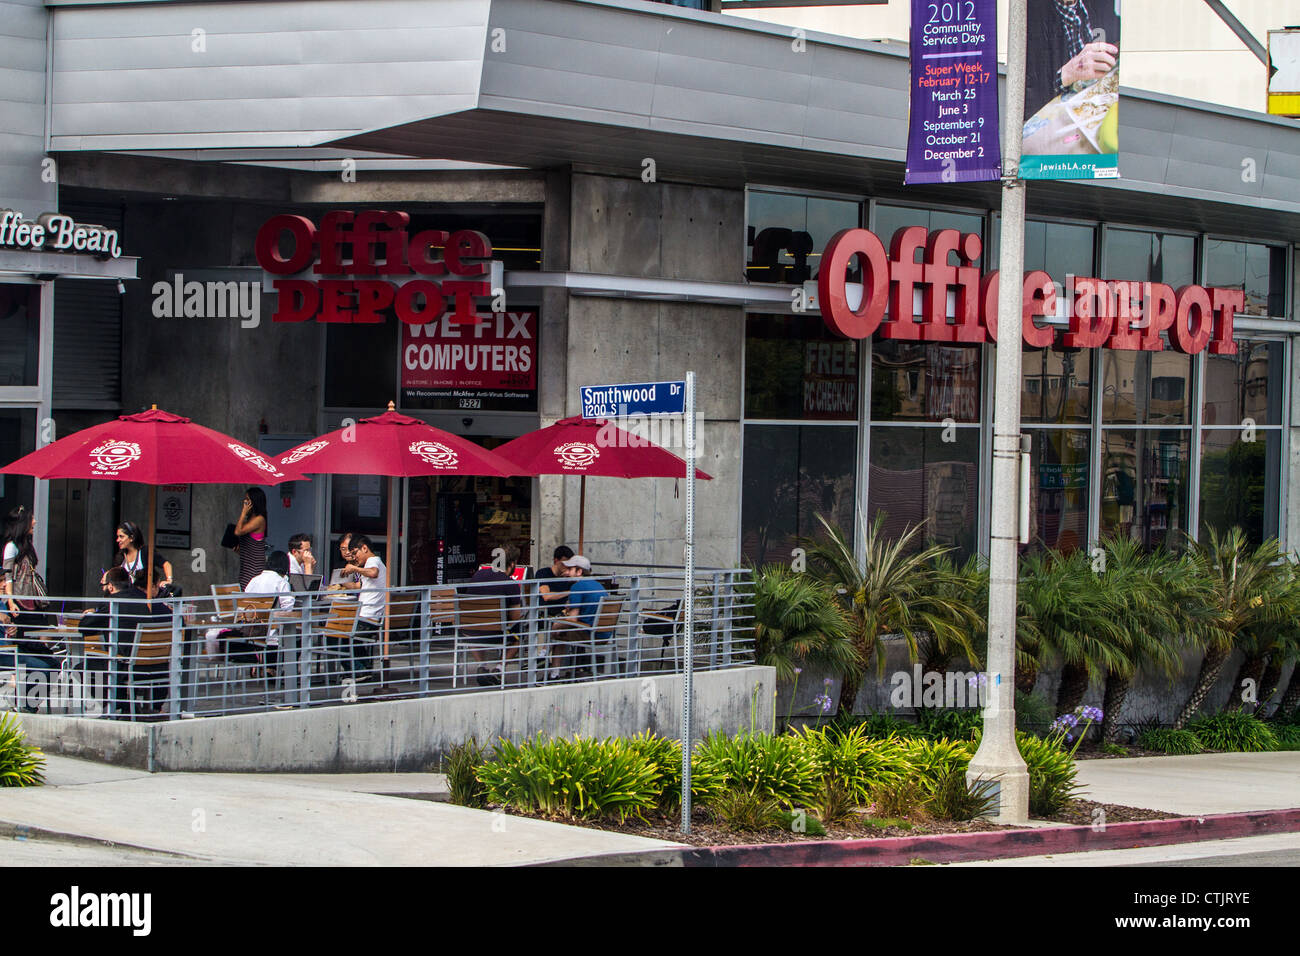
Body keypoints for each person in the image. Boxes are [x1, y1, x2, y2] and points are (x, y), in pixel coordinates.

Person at [1025, 0, 1119, 121]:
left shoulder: (1100, 4)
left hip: (1097, 110)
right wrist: (1067, 74)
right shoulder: (1029, 14)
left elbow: (1115, 28)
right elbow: (1026, 99)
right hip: (1055, 121)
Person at [463, 544, 525, 686]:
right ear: (512, 564)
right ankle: (499, 669)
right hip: (496, 633)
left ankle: (482, 666)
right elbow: (516, 618)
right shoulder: (511, 584)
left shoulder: (477, 576)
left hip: (471, 630)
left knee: (473, 630)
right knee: (520, 635)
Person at [553, 555, 609, 680]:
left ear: (579, 572)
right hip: (605, 634)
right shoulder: (600, 586)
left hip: (589, 634)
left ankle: (553, 674)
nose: (566, 572)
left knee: (557, 633)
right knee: (567, 631)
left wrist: (556, 624)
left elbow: (572, 620)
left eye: (570, 569)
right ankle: (575, 670)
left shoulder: (577, 587)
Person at [342, 535, 386, 682]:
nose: (355, 557)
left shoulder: (373, 561)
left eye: (355, 553)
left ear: (364, 548)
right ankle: (364, 668)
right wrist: (341, 583)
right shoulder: (374, 562)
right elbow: (361, 586)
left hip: (367, 617)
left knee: (338, 636)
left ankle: (357, 670)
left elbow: (373, 573)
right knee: (352, 638)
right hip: (371, 617)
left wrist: (354, 568)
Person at [113, 521, 174, 593]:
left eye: (121, 536)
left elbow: (166, 564)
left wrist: (169, 580)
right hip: (126, 596)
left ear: (131, 538)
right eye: (117, 537)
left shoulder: (145, 552)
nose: (118, 540)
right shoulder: (120, 556)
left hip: (143, 596)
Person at [232, 487, 269, 589]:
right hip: (246, 565)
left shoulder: (259, 519)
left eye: (248, 500)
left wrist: (243, 513)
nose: (245, 502)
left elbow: (238, 531)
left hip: (254, 568)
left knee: (248, 593)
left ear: (254, 501)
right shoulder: (249, 519)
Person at [534, 545, 575, 618]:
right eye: (564, 563)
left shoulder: (569, 577)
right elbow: (546, 596)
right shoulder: (543, 573)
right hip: (545, 615)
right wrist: (570, 592)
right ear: (556, 561)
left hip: (562, 615)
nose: (567, 566)